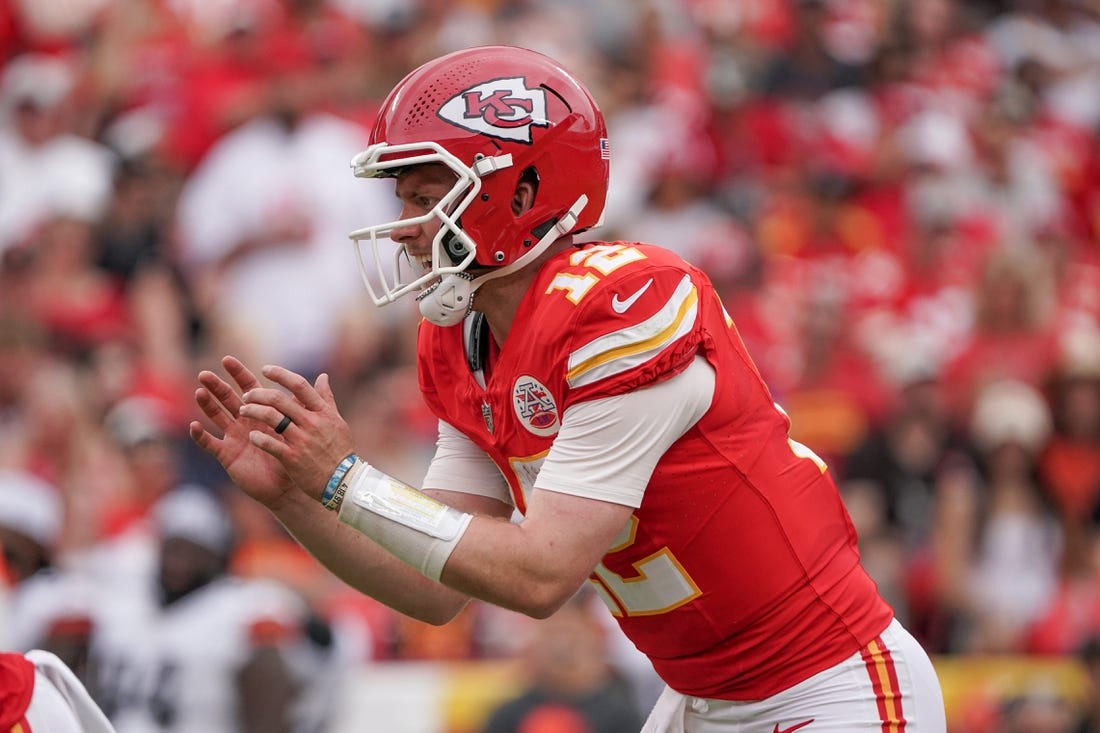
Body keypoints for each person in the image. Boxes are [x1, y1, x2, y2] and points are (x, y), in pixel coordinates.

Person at [191, 44, 947, 731]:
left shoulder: (625, 305)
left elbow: (541, 571)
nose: (404, 228)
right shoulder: (463, 336)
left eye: (427, 197)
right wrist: (299, 493)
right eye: (402, 203)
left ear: (520, 195)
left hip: (827, 681)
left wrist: (347, 479)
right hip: (703, 700)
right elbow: (435, 586)